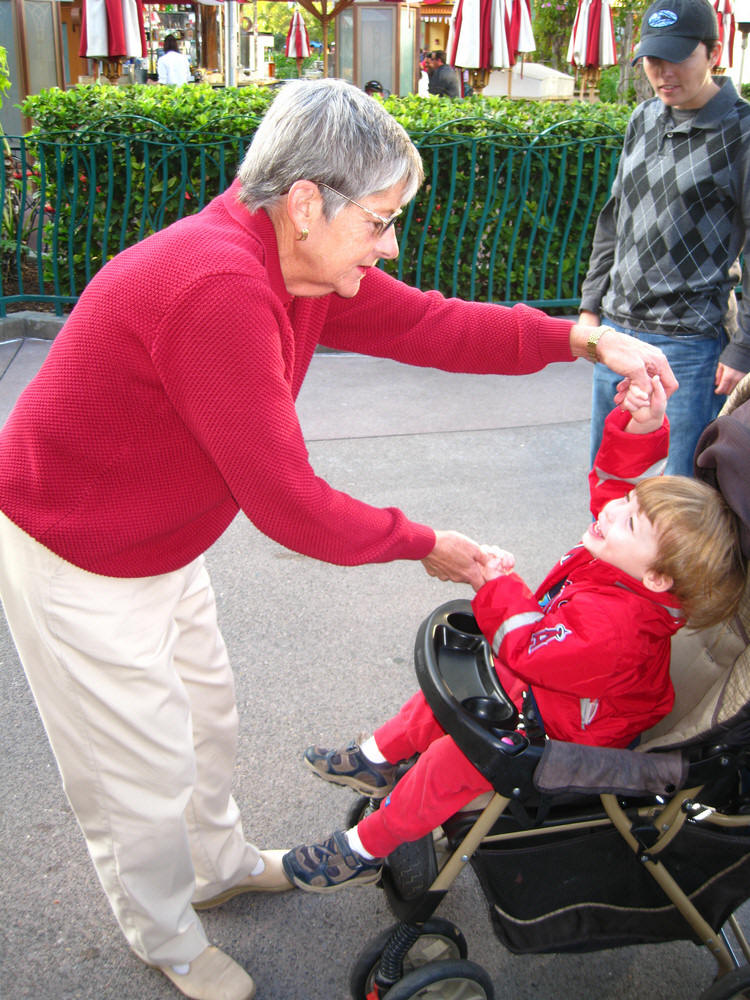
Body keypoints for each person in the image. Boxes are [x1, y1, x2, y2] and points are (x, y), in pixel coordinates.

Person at [0, 79, 676, 1000]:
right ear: (308, 202)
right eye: (383, 219)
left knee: (205, 716)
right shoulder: (218, 287)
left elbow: (436, 323)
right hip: (79, 549)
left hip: (159, 538)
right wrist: (426, 541)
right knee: (135, 766)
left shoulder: (299, 263)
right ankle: (162, 930)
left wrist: (586, 342)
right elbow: (291, 504)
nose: (392, 243)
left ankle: (216, 864)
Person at [282, 377, 746, 892]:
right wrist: (645, 426)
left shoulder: (618, 629)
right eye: (633, 502)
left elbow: (528, 650)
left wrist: (496, 585)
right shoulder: (624, 561)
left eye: (630, 521)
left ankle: (364, 850)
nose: (613, 510)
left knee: (450, 760)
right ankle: (374, 760)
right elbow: (616, 485)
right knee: (439, 702)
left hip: (568, 733)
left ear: (658, 578)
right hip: (557, 687)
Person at [579, 0, 750, 477]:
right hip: (615, 332)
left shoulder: (743, 132)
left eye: (676, 57)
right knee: (609, 472)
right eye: (652, 59)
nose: (662, 72)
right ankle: (599, 557)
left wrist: (743, 349)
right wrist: (592, 307)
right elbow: (614, 219)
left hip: (689, 343)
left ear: (714, 53)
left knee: (675, 494)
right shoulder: (644, 118)